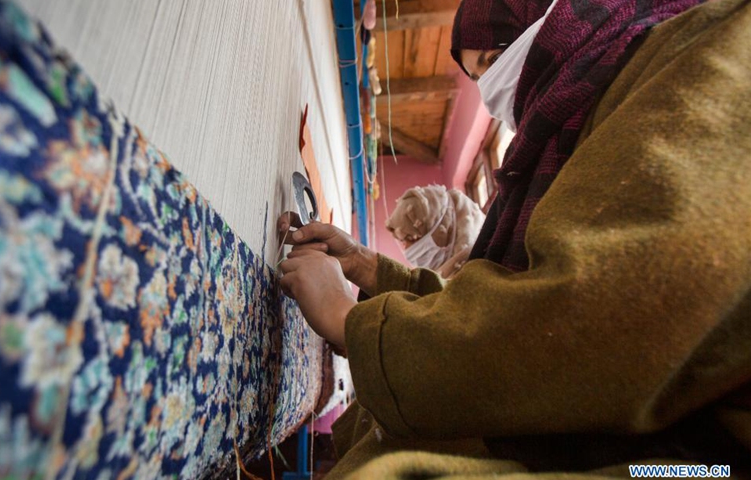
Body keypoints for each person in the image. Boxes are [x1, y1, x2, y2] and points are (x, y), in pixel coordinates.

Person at [278, 0, 751, 477]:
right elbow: (519, 296)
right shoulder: (569, 136)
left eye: (491, 61)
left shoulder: (706, 61)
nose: (489, 92)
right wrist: (368, 267)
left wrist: (350, 319)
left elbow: (584, 326)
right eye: (477, 75)